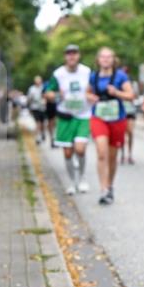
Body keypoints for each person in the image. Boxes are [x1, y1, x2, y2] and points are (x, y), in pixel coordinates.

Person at [88, 48, 135, 205]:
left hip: (117, 119)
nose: (106, 59)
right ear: (98, 59)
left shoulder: (121, 76)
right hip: (98, 118)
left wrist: (116, 93)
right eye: (103, 57)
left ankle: (109, 186)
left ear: (114, 60)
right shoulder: (93, 76)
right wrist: (91, 97)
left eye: (109, 57)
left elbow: (131, 95)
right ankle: (103, 189)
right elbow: (87, 93)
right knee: (102, 153)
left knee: (112, 157)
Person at [44, 44, 92, 195]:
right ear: (65, 56)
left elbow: (94, 88)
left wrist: (92, 95)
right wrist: (57, 95)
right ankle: (72, 182)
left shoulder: (87, 72)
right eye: (69, 54)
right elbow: (47, 93)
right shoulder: (58, 74)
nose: (72, 56)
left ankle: (82, 178)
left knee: (80, 149)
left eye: (74, 53)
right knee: (68, 153)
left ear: (79, 55)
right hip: (65, 116)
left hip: (83, 115)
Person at [120, 66, 139, 165]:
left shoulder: (133, 83)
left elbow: (135, 96)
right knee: (122, 133)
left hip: (131, 110)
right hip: (121, 110)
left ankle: (130, 155)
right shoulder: (118, 82)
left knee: (130, 132)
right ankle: (122, 154)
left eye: (126, 72)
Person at [27, 75, 48, 143]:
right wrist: (29, 106)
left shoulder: (44, 87)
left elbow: (47, 96)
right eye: (37, 81)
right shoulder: (32, 89)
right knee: (37, 123)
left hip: (43, 108)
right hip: (35, 107)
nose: (38, 82)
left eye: (39, 81)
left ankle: (42, 133)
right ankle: (37, 137)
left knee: (43, 123)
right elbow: (29, 99)